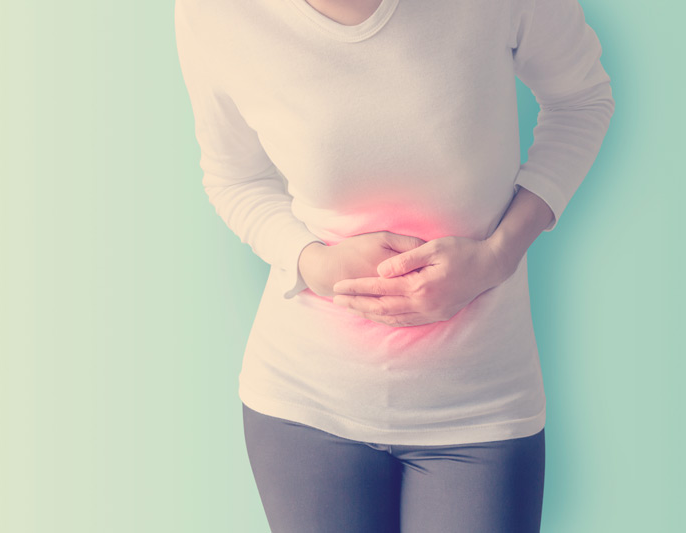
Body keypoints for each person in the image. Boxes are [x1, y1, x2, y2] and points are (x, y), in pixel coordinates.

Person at [175, 0, 614, 531]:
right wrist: (311, 263)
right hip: (304, 405)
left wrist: (497, 257)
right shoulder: (215, 12)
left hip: (481, 403)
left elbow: (582, 100)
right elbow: (234, 177)